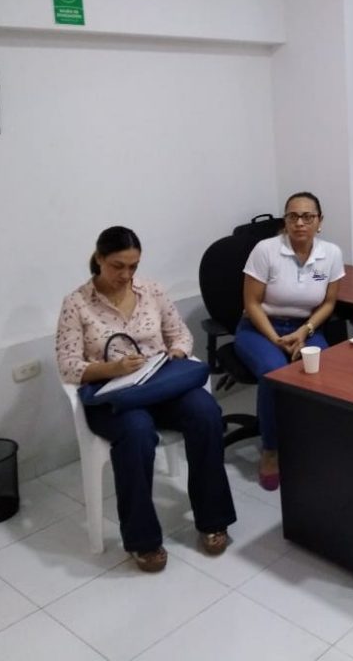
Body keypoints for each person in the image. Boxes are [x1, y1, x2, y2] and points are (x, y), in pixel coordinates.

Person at [56, 226, 236, 573]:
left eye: (133, 266)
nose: (126, 275)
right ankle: (143, 540)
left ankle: (213, 520)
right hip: (113, 397)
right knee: (137, 432)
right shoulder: (76, 304)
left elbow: (179, 334)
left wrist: (177, 353)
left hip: (157, 386)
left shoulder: (151, 290)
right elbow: (67, 365)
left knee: (205, 413)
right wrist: (112, 368)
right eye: (117, 266)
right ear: (99, 259)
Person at [234, 192, 345, 490]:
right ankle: (271, 449)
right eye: (293, 216)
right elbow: (251, 303)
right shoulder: (266, 250)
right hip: (259, 328)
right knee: (275, 374)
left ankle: (310, 441)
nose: (300, 223)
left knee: (320, 371)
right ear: (285, 221)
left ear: (319, 221)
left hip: (305, 328)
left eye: (308, 216)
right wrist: (276, 339)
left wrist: (305, 331)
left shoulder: (331, 253)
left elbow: (329, 303)